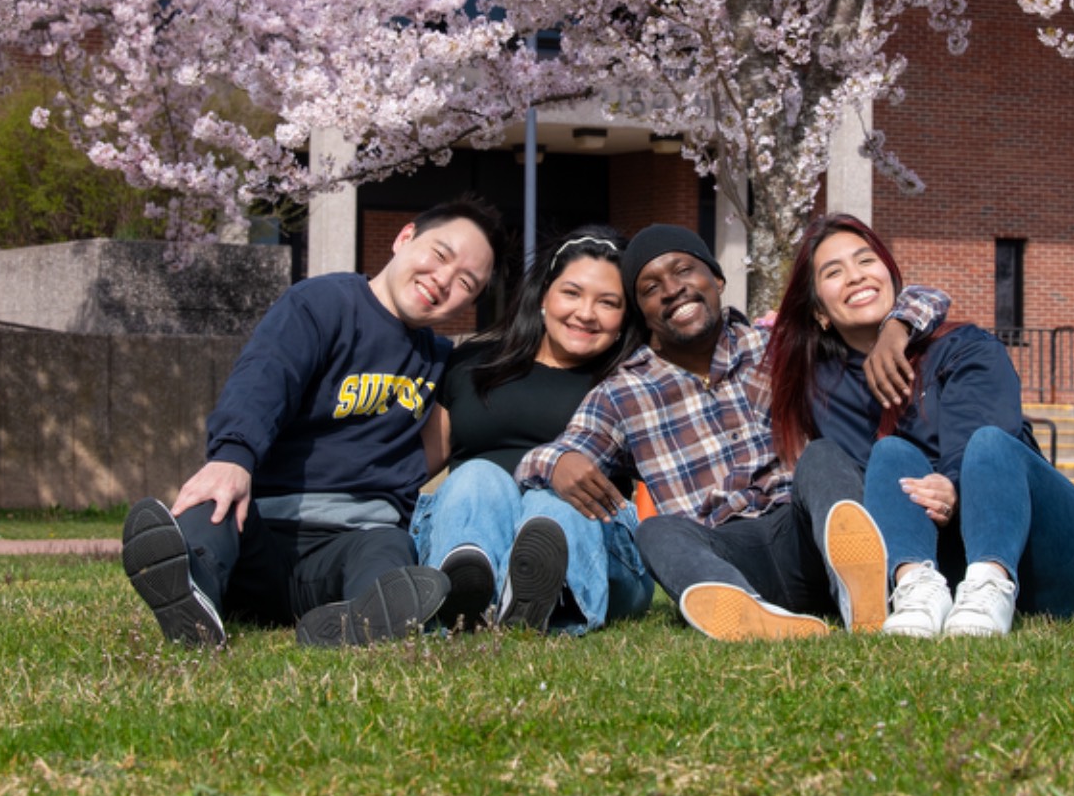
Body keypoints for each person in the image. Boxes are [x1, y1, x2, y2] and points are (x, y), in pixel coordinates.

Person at [516, 224, 950, 641]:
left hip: (806, 534)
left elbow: (923, 297)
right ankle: (747, 615)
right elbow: (541, 459)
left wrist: (896, 329)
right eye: (650, 288)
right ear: (641, 312)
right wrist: (559, 462)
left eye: (685, 270)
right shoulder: (621, 392)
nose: (671, 289)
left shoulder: (777, 347)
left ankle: (860, 591)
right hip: (722, 548)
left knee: (823, 458)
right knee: (656, 530)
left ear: (718, 278)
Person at [120, 198, 505, 649]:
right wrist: (233, 456)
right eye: (440, 255)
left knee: (388, 550)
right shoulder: (322, 303)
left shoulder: (438, 360)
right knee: (211, 502)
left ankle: (365, 622)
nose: (443, 281)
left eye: (465, 283)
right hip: (261, 527)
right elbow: (266, 377)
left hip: (354, 543)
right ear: (405, 238)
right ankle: (195, 594)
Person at [766, 213, 1074, 639]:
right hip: (947, 569)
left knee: (989, 444)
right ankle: (915, 590)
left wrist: (954, 485)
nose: (855, 277)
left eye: (865, 261)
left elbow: (989, 435)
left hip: (1053, 562)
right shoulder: (820, 387)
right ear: (819, 312)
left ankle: (992, 579)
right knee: (890, 454)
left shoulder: (965, 347)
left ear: (892, 279)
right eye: (834, 272)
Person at [413, 227, 655, 633]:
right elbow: (412, 467)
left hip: (596, 544)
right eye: (572, 293)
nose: (586, 313)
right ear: (544, 295)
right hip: (473, 521)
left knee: (555, 503)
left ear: (625, 316)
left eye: (608, 302)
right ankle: (467, 585)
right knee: (476, 475)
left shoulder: (632, 384)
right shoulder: (473, 364)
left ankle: (549, 594)